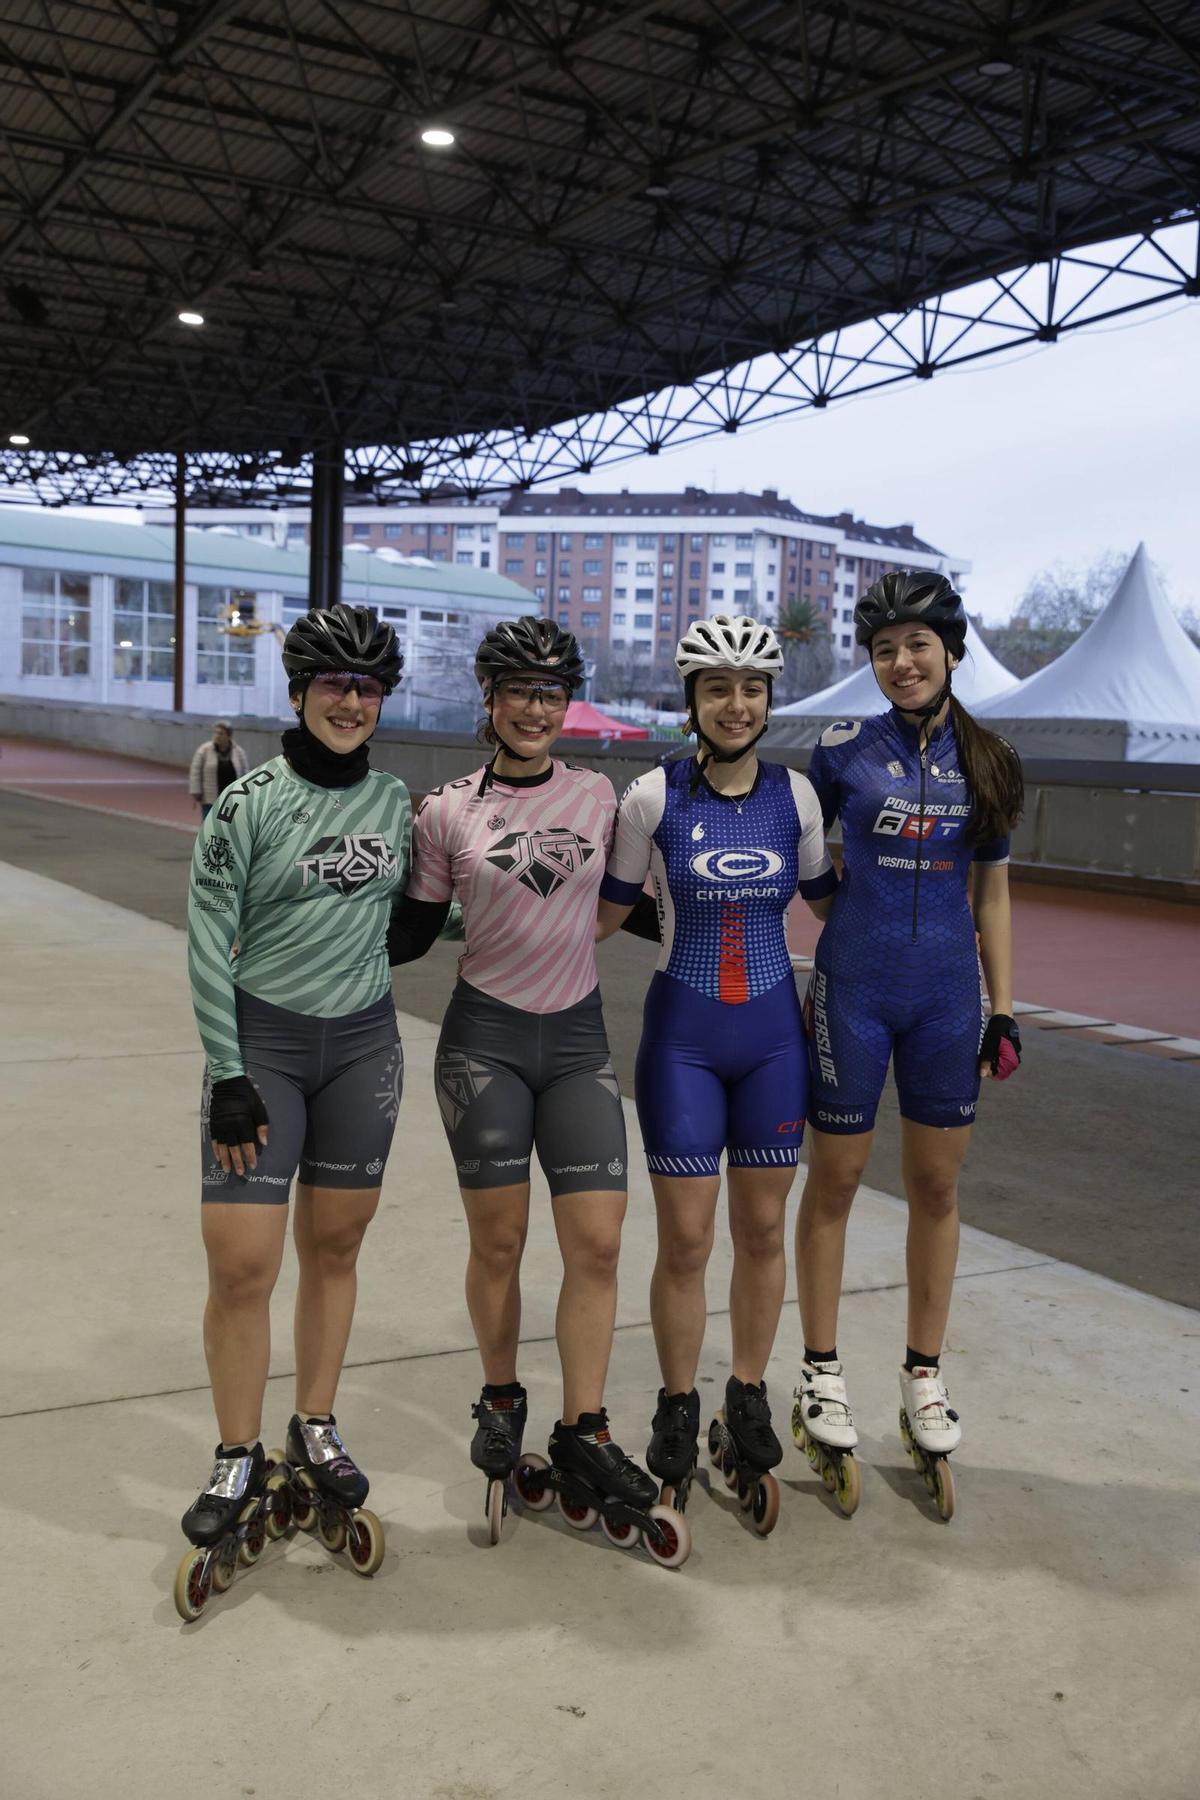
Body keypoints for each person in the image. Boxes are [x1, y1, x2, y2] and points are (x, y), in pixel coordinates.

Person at [388, 616, 661, 1534]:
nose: (537, 708)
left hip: (577, 1045)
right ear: (491, 701)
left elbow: (650, 909)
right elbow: (411, 934)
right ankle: (501, 1396)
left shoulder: (601, 798)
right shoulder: (447, 810)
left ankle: (585, 1424)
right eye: (520, 692)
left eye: (552, 693)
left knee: (598, 1245)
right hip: (483, 1047)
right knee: (500, 1245)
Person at [178, 602, 408, 1602]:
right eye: (333, 684)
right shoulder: (247, 803)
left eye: (366, 687)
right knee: (242, 1266)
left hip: (364, 1047)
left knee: (338, 1249)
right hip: (261, 1049)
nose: (351, 701)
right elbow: (202, 937)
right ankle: (236, 1452)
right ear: (300, 692)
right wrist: (227, 1069)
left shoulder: (399, 802)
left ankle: (314, 1422)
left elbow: (414, 923)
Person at [597, 614, 837, 1531]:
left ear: (769, 699)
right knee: (689, 1242)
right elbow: (608, 914)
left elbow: (830, 904)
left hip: (775, 1040)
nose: (736, 704)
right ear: (691, 700)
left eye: (751, 688)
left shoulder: (800, 797)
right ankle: (675, 1403)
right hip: (683, 1045)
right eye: (716, 688)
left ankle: (744, 1394)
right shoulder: (650, 798)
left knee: (764, 1231)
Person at [792, 571, 1023, 1519]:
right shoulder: (842, 749)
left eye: (918, 644)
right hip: (853, 991)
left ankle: (923, 1374)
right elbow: (809, 867)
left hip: (943, 1002)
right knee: (836, 1182)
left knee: (936, 1187)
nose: (901, 662)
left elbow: (992, 892)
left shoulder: (993, 759)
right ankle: (819, 1372)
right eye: (884, 648)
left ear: (952, 650)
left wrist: (1001, 1007)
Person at [189, 718, 247, 819]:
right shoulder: (204, 750)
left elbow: (245, 773)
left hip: (232, 798)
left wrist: (247, 792)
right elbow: (195, 772)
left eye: (221, 733)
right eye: (215, 733)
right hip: (210, 798)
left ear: (229, 736)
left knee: (229, 826)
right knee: (209, 826)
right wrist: (196, 791)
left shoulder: (238, 752)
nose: (217, 736)